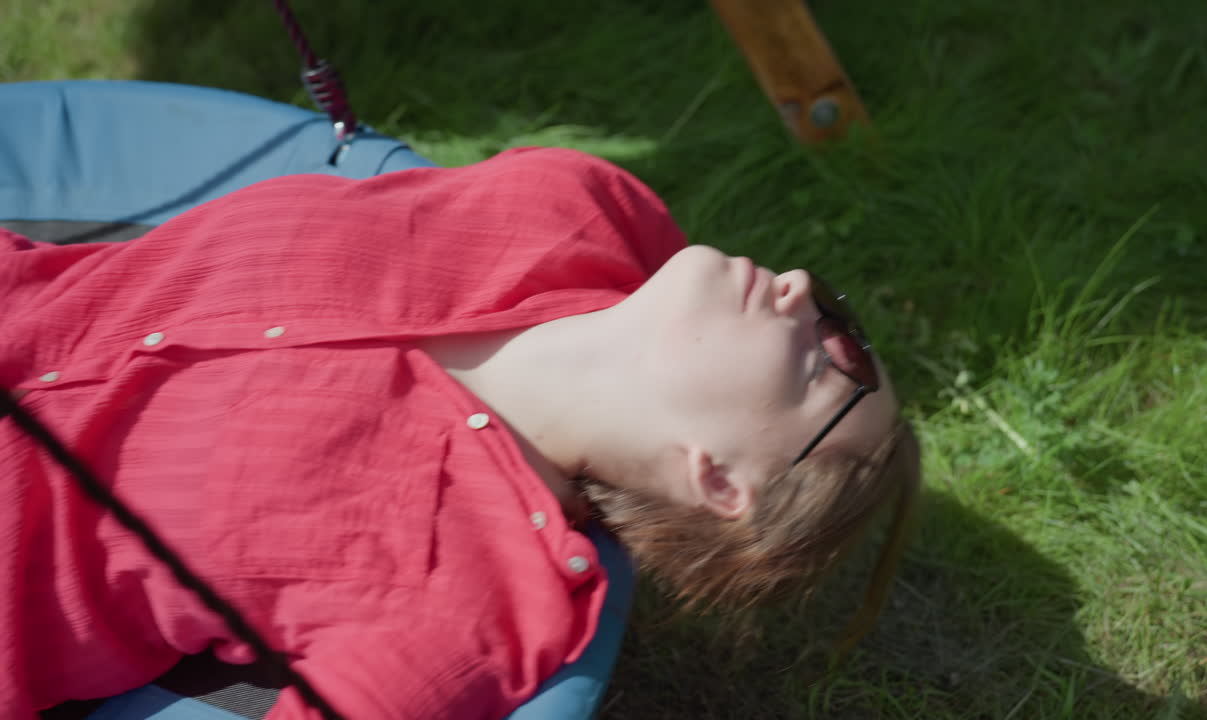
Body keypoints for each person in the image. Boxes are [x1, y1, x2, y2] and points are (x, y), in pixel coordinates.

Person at [1, 147, 919, 719]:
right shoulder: (575, 205)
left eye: (833, 357)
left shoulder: (472, 601)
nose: (802, 286)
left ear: (722, 483)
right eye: (836, 309)